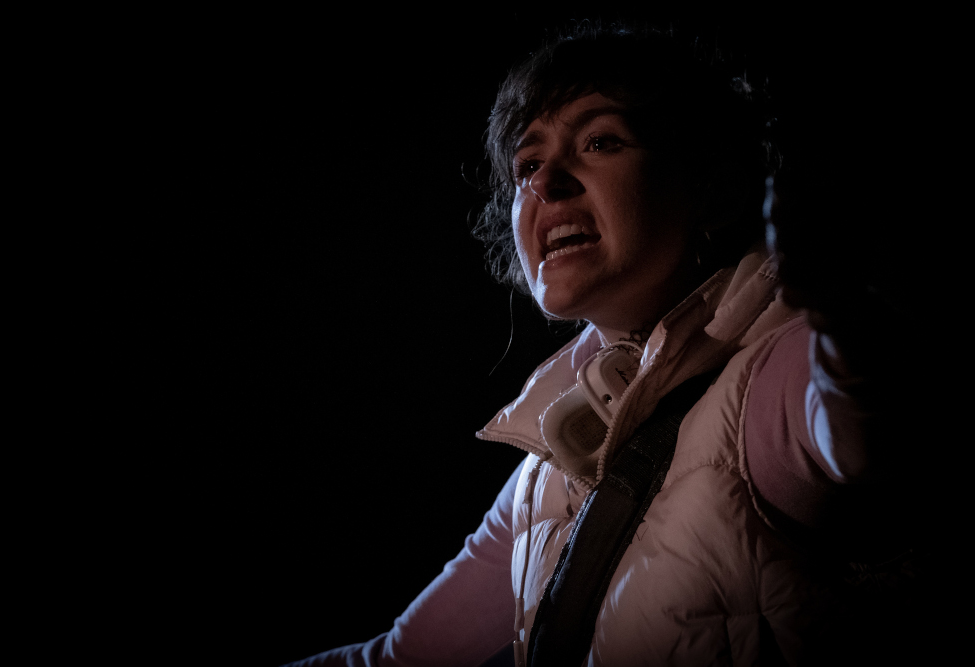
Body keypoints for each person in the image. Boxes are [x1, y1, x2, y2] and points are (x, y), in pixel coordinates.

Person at [287, 24, 939, 666]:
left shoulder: (778, 366)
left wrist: (849, 319)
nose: (546, 184)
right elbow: (399, 659)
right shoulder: (541, 476)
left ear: (717, 190)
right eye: (528, 164)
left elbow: (863, 425)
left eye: (601, 140)